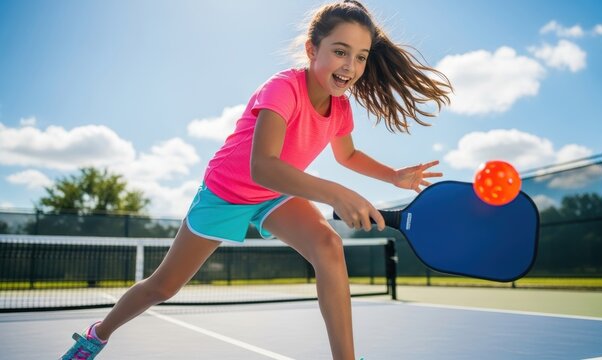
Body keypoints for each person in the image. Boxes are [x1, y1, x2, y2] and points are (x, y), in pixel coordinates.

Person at [60, 1, 451, 359]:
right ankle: (98, 334)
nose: (350, 65)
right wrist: (335, 192)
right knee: (163, 287)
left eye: (360, 57)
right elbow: (261, 166)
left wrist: (392, 175)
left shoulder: (341, 108)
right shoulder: (283, 88)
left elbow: (346, 155)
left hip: (277, 194)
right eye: (340, 51)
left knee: (328, 246)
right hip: (226, 192)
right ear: (313, 50)